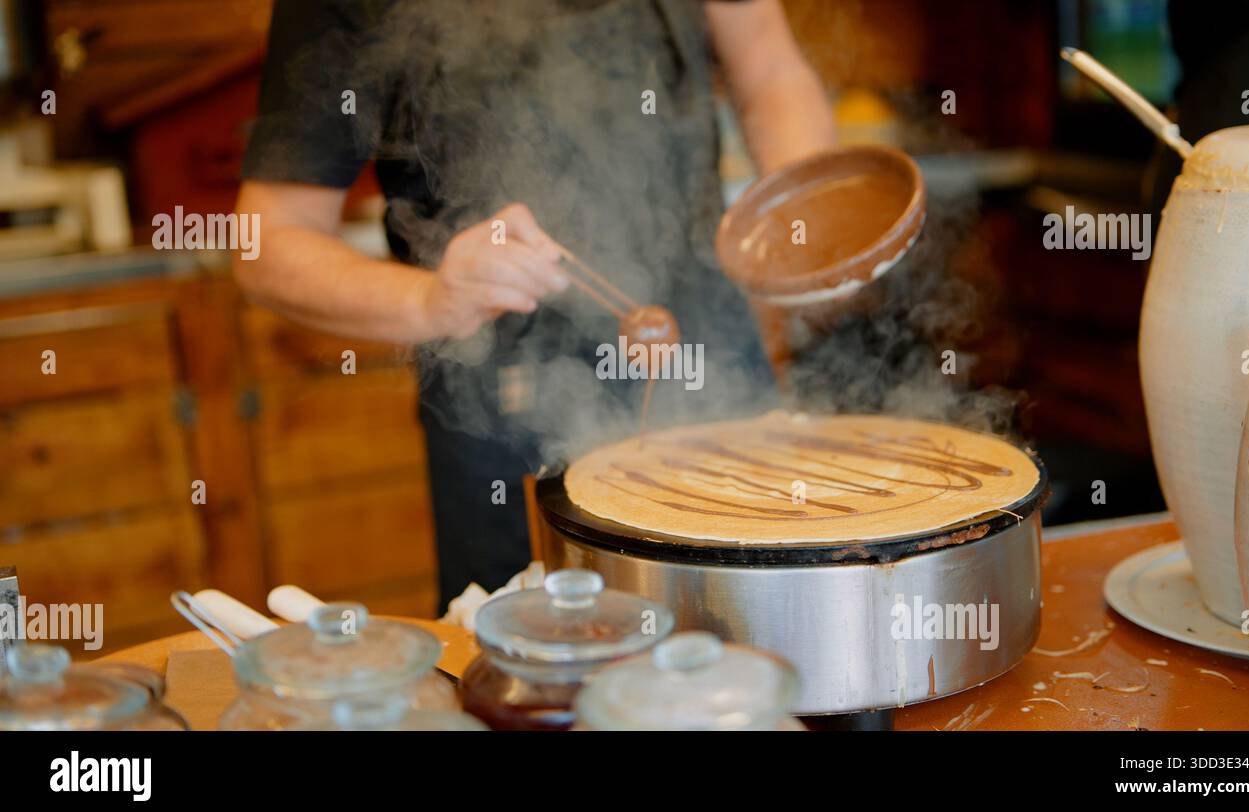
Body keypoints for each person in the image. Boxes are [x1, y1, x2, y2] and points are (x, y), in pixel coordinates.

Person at [233, 0, 835, 612]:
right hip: (506, 422)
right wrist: (429, 300)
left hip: (713, 366)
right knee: (538, 677)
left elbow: (770, 73)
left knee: (759, 641)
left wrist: (807, 210)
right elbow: (267, 243)